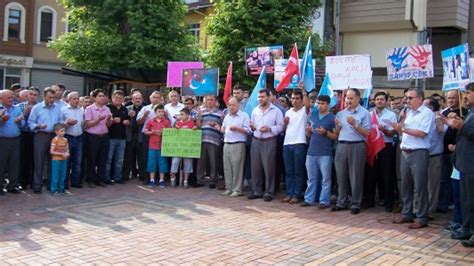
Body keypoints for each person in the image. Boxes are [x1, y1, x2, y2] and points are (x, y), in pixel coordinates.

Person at [392, 88, 434, 229]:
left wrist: (402, 128)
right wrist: (401, 121)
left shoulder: (427, 113)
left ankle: (421, 217)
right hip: (405, 151)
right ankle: (407, 214)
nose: (407, 101)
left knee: (420, 186)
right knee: (405, 184)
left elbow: (422, 133)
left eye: (410, 98)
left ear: (420, 99)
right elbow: (402, 130)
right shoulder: (408, 113)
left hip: (419, 152)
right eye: (406, 98)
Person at [332, 88, 371, 214]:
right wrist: (337, 127)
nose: (348, 100)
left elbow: (367, 133)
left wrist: (355, 124)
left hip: (357, 146)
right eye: (347, 98)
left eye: (351, 98)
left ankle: (356, 203)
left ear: (358, 99)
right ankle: (341, 201)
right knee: (341, 175)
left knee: (356, 176)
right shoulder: (341, 113)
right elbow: (337, 134)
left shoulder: (365, 113)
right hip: (342, 145)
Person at [446, 82, 474, 247]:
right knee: (465, 200)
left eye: (469, 93)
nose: (465, 96)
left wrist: (461, 126)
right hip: (464, 164)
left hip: (471, 164)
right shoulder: (470, 112)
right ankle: (467, 228)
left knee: (472, 200)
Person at [248, 89, 284, 202]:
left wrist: (269, 129)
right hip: (256, 139)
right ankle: (257, 191)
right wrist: (252, 127)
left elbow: (280, 127)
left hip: (269, 140)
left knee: (269, 167)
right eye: (259, 97)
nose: (260, 99)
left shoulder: (276, 111)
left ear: (269, 97)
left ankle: (269, 191)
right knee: (255, 167)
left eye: (262, 97)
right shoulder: (255, 110)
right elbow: (252, 124)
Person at [363, 91, 397, 212]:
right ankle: (369, 200)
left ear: (386, 101)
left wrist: (384, 130)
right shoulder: (369, 114)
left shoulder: (391, 115)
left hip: (386, 146)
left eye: (382, 99)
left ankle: (388, 202)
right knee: (371, 174)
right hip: (372, 146)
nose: (379, 101)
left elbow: (392, 133)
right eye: (377, 99)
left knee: (386, 175)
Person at [301, 95, 337, 208]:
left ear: (328, 105)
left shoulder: (332, 118)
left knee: (325, 179)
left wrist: (325, 132)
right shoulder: (313, 115)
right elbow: (309, 134)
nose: (320, 106)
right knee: (311, 178)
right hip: (311, 151)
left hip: (325, 152)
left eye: (322, 103)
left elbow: (336, 136)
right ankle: (309, 199)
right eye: (318, 103)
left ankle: (324, 201)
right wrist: (308, 131)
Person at [439, 90, 468, 213]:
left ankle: (456, 206)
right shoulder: (443, 113)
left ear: (459, 98)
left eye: (453, 98)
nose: (451, 100)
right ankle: (443, 205)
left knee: (457, 181)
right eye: (449, 98)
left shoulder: (465, 113)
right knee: (444, 179)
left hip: (459, 152)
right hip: (444, 151)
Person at [28, 87, 62, 194]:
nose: (52, 99)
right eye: (49, 97)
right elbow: (30, 123)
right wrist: (38, 126)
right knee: (39, 161)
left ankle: (51, 185)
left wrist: (60, 126)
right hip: (41, 135)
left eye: (53, 97)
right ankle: (37, 186)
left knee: (53, 161)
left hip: (54, 136)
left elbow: (60, 121)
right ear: (44, 97)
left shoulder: (58, 108)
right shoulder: (37, 108)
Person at [281, 88, 310, 204]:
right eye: (292, 98)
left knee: (298, 171)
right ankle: (290, 193)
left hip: (300, 143)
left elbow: (308, 106)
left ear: (302, 100)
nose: (294, 101)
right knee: (289, 171)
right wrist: (285, 123)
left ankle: (297, 194)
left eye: (297, 98)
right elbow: (285, 129)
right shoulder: (288, 112)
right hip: (287, 143)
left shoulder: (304, 110)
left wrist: (304, 91)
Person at [221, 97, 250, 197]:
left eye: (233, 105)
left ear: (239, 105)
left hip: (238, 144)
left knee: (237, 168)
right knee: (227, 167)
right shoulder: (227, 116)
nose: (231, 107)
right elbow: (223, 128)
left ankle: (237, 189)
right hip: (227, 143)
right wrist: (219, 128)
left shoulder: (244, 116)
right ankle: (228, 188)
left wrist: (237, 129)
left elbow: (248, 130)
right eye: (229, 105)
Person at [84, 89, 112, 188]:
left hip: (104, 136)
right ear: (94, 98)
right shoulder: (89, 109)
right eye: (99, 96)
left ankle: (100, 179)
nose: (102, 97)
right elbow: (87, 124)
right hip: (93, 137)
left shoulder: (107, 109)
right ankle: (90, 179)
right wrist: (98, 119)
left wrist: (109, 120)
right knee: (92, 158)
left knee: (103, 159)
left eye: (103, 96)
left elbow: (108, 125)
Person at [196, 95, 224, 189]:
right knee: (201, 161)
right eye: (207, 100)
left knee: (214, 161)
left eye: (211, 100)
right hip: (202, 139)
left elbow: (223, 126)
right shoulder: (201, 112)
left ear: (215, 101)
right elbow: (199, 125)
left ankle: (213, 180)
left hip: (214, 140)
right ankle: (200, 179)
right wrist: (199, 117)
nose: (209, 101)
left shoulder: (221, 113)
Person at [423, 97, 445, 217]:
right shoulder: (423, 118)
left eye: (425, 106)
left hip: (434, 156)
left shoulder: (438, 118)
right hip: (422, 155)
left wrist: (437, 116)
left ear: (432, 108)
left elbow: (441, 129)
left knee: (432, 185)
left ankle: (430, 211)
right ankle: (420, 209)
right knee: (422, 184)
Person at [0, 90, 24, 195]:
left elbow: (23, 124)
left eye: (12, 97)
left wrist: (20, 121)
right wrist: (2, 120)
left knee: (14, 163)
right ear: (1, 99)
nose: (11, 99)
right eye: (9, 97)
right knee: (1, 164)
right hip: (2, 140)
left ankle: (12, 186)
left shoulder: (17, 108)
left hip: (16, 139)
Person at [105, 90, 130, 185]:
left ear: (123, 99)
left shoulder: (125, 109)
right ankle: (106, 177)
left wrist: (127, 122)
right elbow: (105, 122)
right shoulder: (108, 108)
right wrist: (112, 120)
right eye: (116, 97)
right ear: (112, 98)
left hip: (122, 138)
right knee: (108, 159)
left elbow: (127, 120)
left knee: (119, 160)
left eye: (120, 98)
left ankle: (117, 177)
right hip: (110, 137)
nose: (118, 99)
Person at [60, 91, 84, 189]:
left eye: (78, 98)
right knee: (67, 161)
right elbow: (59, 126)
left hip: (79, 137)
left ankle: (75, 181)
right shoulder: (63, 110)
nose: (76, 100)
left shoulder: (82, 110)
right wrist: (67, 123)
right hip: (68, 137)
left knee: (77, 162)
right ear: (69, 100)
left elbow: (83, 124)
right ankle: (65, 183)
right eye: (74, 98)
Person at [144, 105, 171, 188]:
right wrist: (152, 132)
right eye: (159, 111)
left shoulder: (167, 122)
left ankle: (161, 180)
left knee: (162, 163)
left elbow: (170, 132)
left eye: (162, 111)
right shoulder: (150, 121)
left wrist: (164, 133)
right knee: (152, 162)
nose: (161, 113)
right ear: (155, 112)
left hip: (163, 146)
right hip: (152, 146)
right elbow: (145, 131)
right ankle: (152, 180)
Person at [17, 87, 39, 189]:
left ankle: (33, 182)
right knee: (23, 159)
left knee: (35, 159)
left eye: (35, 95)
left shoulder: (40, 107)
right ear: (28, 95)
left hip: (36, 135)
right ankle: (22, 182)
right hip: (24, 135)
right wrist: (25, 115)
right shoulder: (20, 106)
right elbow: (19, 124)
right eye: (31, 94)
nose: (33, 97)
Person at [123, 91, 147, 182]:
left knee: (141, 157)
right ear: (132, 100)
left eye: (139, 98)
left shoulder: (145, 109)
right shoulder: (127, 108)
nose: (137, 100)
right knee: (128, 157)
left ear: (142, 100)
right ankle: (125, 175)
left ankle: (142, 175)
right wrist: (129, 117)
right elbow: (124, 121)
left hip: (141, 136)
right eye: (135, 98)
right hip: (130, 135)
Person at [170, 108, 196, 188]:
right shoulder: (177, 123)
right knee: (175, 162)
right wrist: (176, 128)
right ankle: (173, 178)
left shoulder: (191, 123)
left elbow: (195, 132)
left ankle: (185, 180)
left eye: (182, 114)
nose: (180, 116)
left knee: (188, 163)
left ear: (187, 115)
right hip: (178, 147)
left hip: (187, 148)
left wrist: (192, 129)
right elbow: (173, 133)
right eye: (180, 114)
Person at [50, 123, 70, 195]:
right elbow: (51, 151)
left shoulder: (65, 139)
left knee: (63, 174)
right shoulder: (54, 140)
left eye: (64, 131)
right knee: (55, 175)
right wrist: (61, 154)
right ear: (56, 132)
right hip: (56, 159)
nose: (63, 132)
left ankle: (62, 189)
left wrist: (67, 153)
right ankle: (54, 189)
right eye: (61, 131)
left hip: (64, 159)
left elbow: (67, 149)